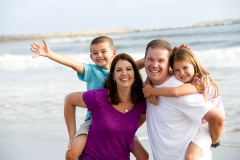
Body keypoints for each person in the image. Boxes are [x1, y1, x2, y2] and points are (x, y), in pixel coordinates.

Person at [30, 37, 148, 160]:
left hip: (120, 121)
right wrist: (50, 54)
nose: (99, 55)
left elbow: (146, 62)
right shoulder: (92, 71)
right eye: (95, 53)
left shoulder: (121, 68)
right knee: (72, 152)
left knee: (143, 155)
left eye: (103, 51)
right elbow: (72, 63)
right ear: (91, 57)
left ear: (113, 53)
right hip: (93, 120)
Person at [143, 39, 225, 160]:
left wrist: (214, 142)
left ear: (168, 64)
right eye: (150, 59)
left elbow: (218, 119)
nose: (155, 65)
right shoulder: (149, 84)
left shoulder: (184, 90)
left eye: (161, 60)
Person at [64, 53, 147, 159]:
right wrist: (72, 135)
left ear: (135, 73)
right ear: (113, 75)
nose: (124, 73)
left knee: (144, 156)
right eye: (119, 70)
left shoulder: (141, 101)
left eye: (129, 69)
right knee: (71, 155)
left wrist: (122, 129)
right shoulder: (99, 97)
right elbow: (69, 99)